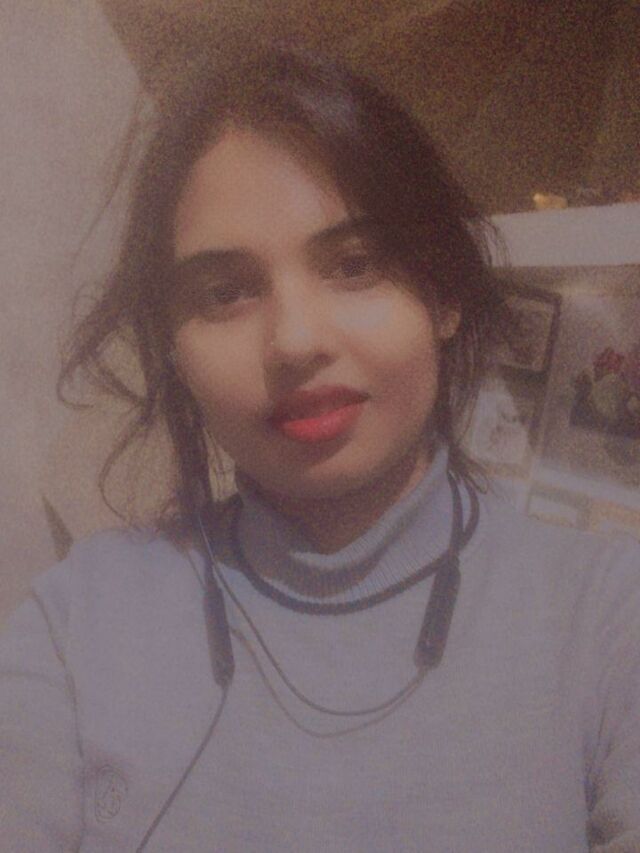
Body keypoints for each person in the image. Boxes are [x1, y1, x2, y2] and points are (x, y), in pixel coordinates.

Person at [1, 46, 639, 852]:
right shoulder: (78, 620)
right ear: (174, 351)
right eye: (226, 291)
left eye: (354, 264)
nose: (296, 340)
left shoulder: (610, 616)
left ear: (443, 294)